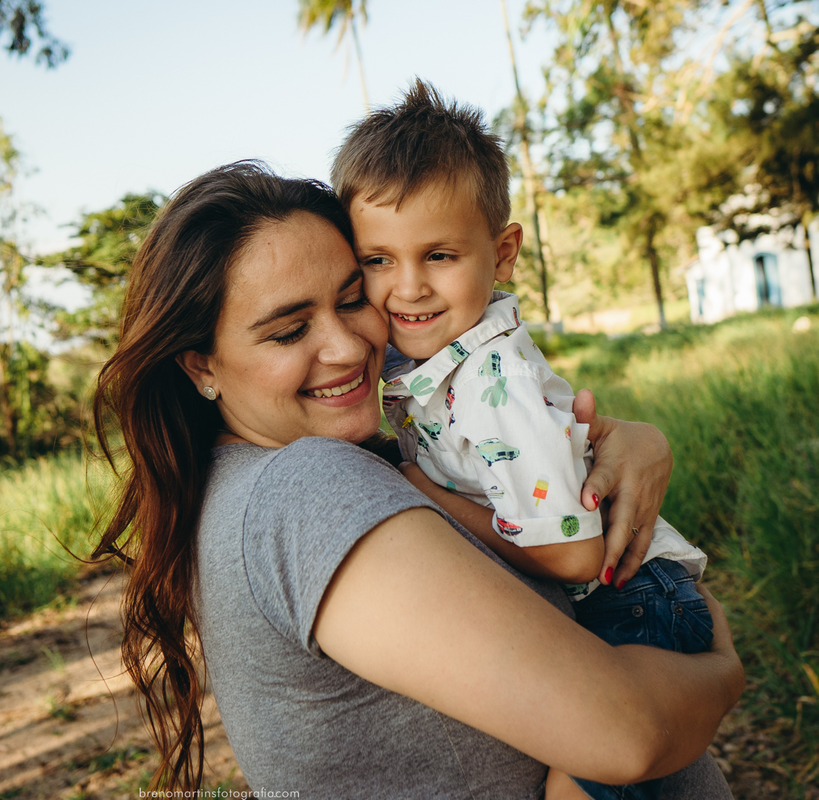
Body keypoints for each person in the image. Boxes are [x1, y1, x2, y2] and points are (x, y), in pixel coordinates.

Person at [91, 160, 743, 798]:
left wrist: (630, 440)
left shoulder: (263, 483)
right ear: (201, 365)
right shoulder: (305, 488)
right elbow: (627, 736)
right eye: (289, 331)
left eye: (354, 299)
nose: (348, 348)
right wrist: (722, 670)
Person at [331, 81, 715, 800]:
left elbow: (574, 554)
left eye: (439, 255)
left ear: (502, 252)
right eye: (377, 260)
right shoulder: (423, 357)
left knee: (587, 766)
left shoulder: (492, 380)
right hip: (607, 593)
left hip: (628, 598)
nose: (407, 288)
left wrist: (424, 497)